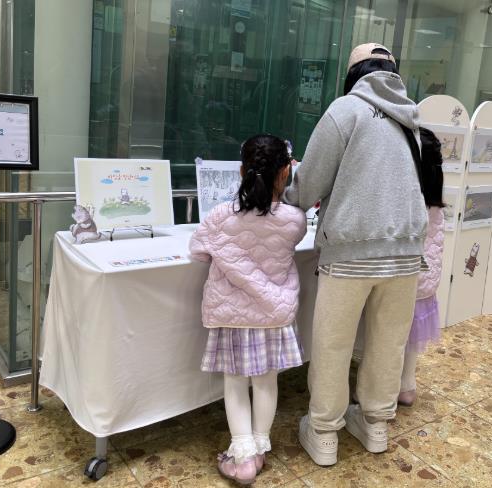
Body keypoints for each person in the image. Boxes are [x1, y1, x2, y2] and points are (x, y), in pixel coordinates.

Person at [283, 43, 428, 465]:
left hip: (351, 251)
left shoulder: (344, 111)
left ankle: (324, 432)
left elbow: (309, 185)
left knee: (334, 343)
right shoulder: (411, 118)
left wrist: (288, 195)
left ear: (353, 73)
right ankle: (376, 424)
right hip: (405, 251)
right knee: (388, 342)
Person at [189, 134, 307, 485]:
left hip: (233, 314)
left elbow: (198, 250)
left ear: (241, 171)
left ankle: (242, 459)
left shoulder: (219, 217)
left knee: (236, 383)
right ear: (285, 173)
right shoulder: (295, 220)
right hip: (273, 315)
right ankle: (258, 450)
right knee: (267, 381)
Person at [398, 127, 445, 406]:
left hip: (407, 279)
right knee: (412, 341)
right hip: (428, 281)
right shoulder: (435, 200)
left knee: (393, 339)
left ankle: (385, 389)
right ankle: (407, 386)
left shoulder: (409, 199)